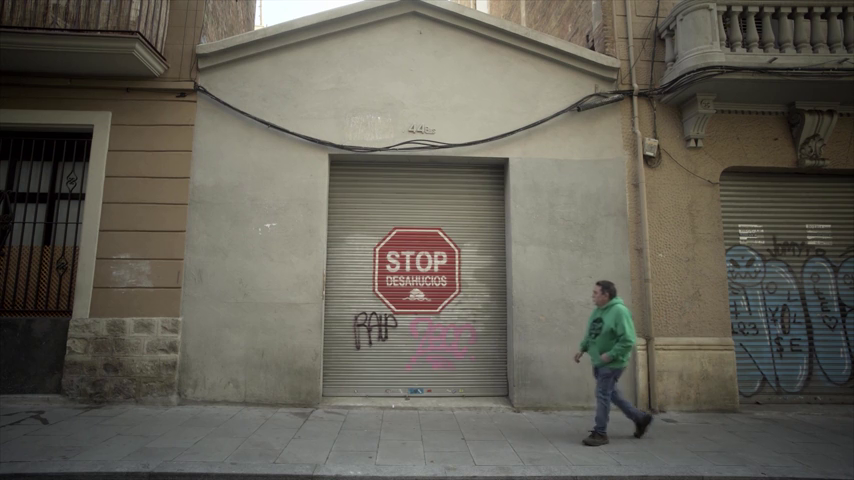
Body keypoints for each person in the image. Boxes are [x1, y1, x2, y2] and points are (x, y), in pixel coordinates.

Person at [574, 280, 652, 446]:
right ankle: (640, 418)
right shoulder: (598, 311)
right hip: (599, 362)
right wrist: (582, 349)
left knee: (602, 395)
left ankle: (600, 432)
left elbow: (628, 339)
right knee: (612, 394)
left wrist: (611, 355)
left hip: (612, 364)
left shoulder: (619, 311)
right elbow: (592, 333)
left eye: (596, 293)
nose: (592, 296)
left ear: (606, 295)